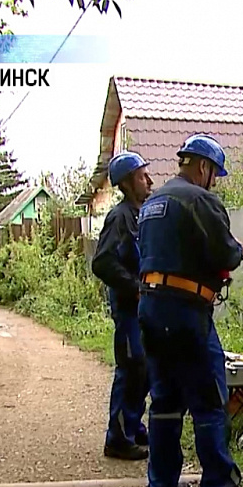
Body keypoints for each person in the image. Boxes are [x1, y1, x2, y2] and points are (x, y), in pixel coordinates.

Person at [136, 134, 243, 487]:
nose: (214, 182)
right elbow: (223, 251)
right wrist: (238, 250)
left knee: (165, 403)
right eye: (215, 174)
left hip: (150, 309)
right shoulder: (201, 200)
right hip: (186, 312)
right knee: (209, 402)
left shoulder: (151, 203)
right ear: (205, 168)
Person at [91, 151, 154, 461]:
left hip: (142, 309)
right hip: (129, 308)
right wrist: (134, 288)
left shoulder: (139, 213)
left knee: (145, 370)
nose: (150, 181)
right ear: (129, 183)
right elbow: (102, 262)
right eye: (143, 176)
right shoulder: (120, 216)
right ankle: (117, 439)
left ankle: (131, 425)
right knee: (132, 369)